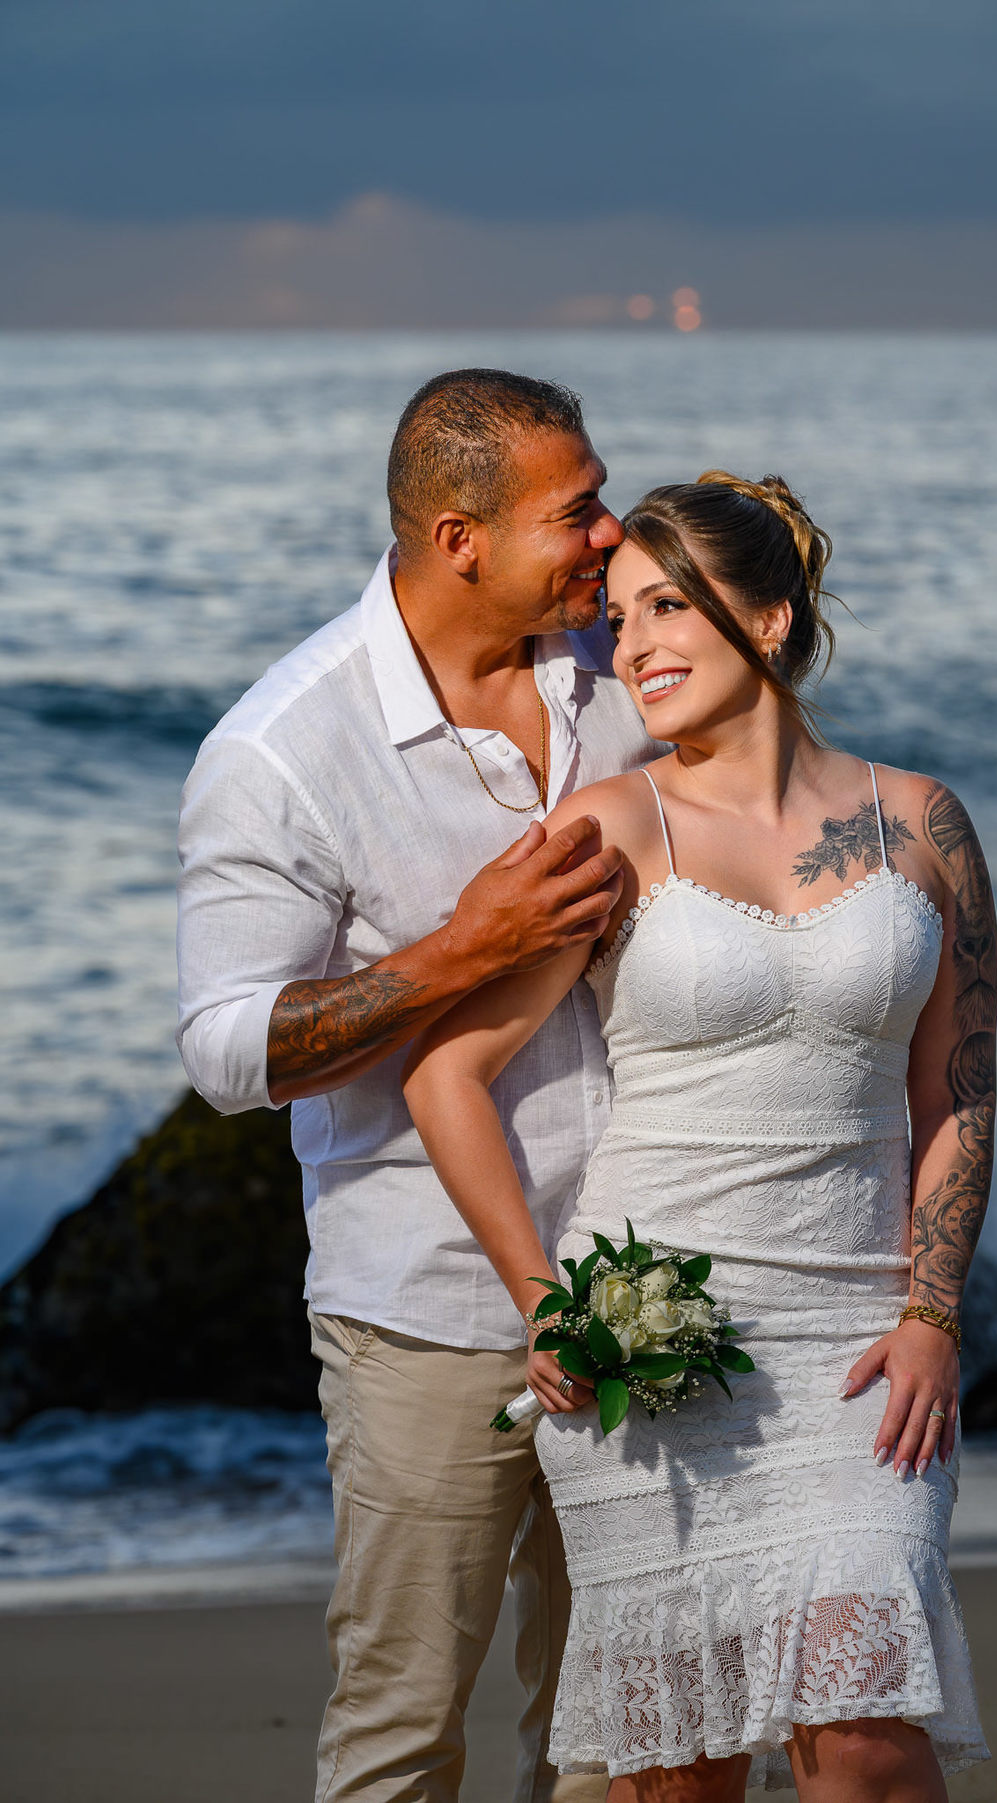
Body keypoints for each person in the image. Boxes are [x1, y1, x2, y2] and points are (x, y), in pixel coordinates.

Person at [403, 470, 997, 1799]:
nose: (636, 646)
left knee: (867, 1739)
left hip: (860, 1350)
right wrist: (547, 1305)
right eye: (618, 619)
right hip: (657, 1345)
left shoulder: (923, 824)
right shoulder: (609, 829)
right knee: (683, 1777)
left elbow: (959, 1092)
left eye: (668, 606)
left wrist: (934, 1313)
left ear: (770, 618)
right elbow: (448, 1075)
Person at [176, 368, 662, 1802]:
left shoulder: (628, 667)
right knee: (401, 1733)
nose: (609, 532)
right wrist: (464, 950)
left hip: (650, 1282)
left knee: (626, 1735)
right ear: (461, 539)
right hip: (430, 1312)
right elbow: (229, 1052)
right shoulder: (284, 751)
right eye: (576, 511)